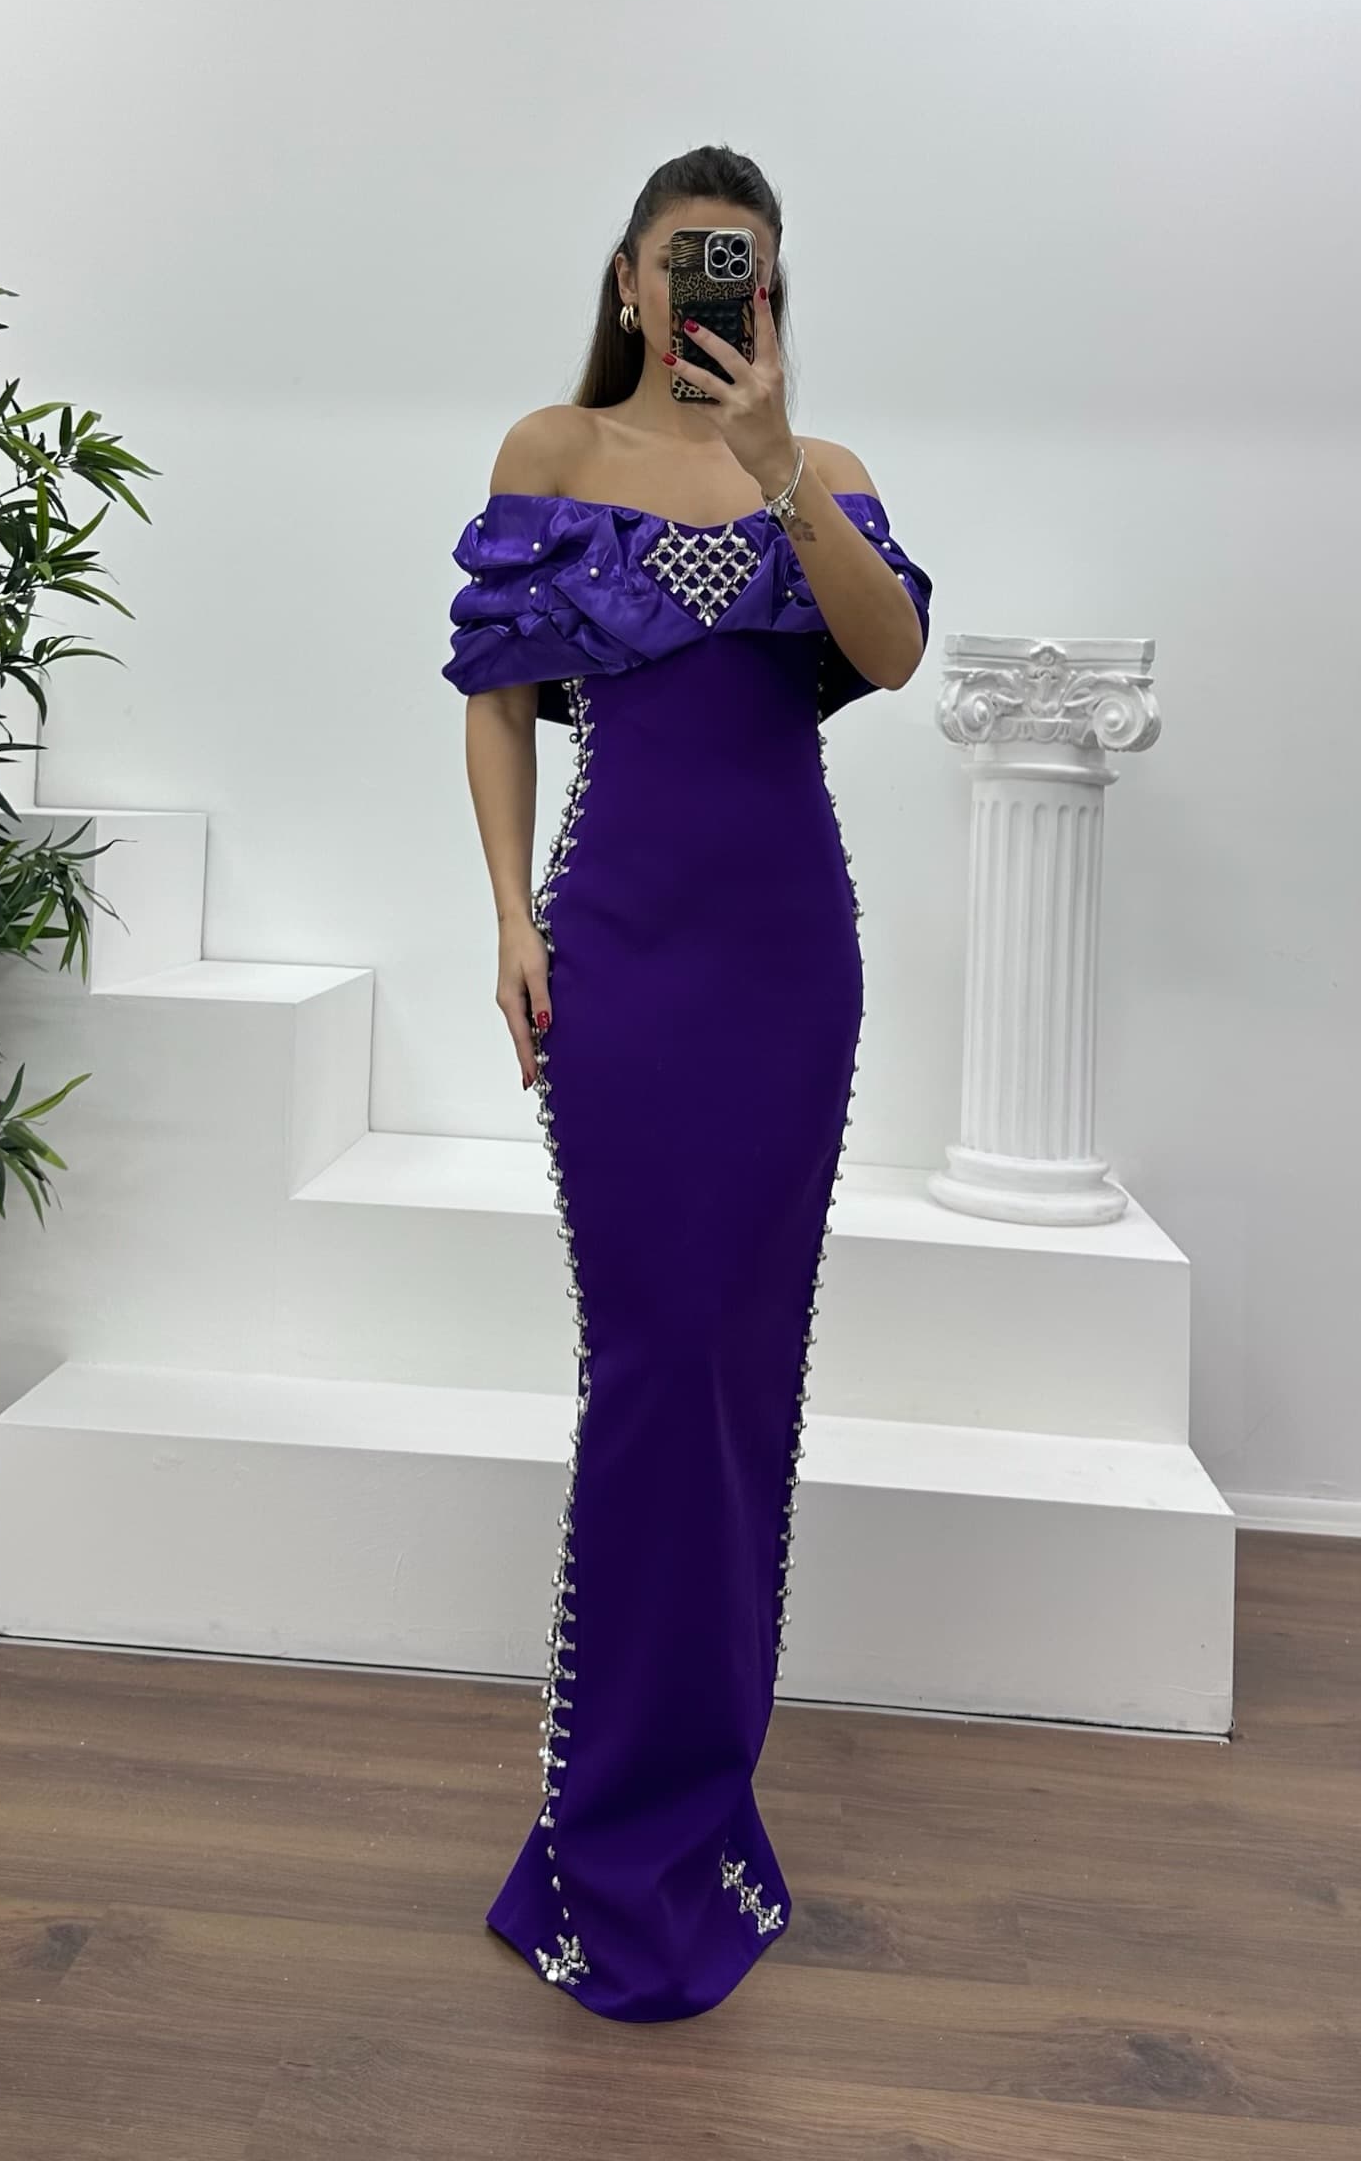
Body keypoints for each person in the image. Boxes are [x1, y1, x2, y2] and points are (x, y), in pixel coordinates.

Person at [441, 144, 932, 2023]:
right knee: (652, 1365)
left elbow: (891, 656)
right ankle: (606, 1839)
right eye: (688, 261)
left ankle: (705, 1811)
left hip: (788, 969)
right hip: (623, 958)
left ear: (772, 296)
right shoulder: (553, 451)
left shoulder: (828, 470)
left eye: (751, 270)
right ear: (631, 281)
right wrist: (510, 914)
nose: (719, 293)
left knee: (744, 1374)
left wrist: (783, 463)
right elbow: (497, 701)